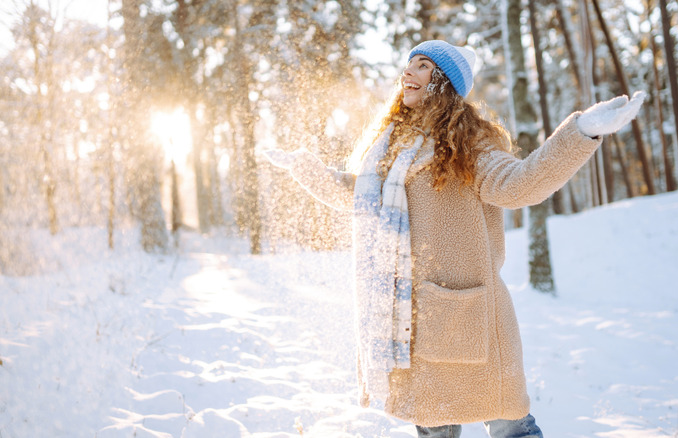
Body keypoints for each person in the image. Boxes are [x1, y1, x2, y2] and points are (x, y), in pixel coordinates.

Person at [262, 40, 645, 438]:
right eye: (408, 64)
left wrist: (581, 132)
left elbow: (519, 186)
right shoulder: (394, 145)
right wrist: (304, 169)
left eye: (422, 65)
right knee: (432, 428)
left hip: (470, 317)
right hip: (414, 319)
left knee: (510, 426)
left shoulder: (471, 143)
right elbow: (360, 196)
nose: (407, 72)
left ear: (443, 81)